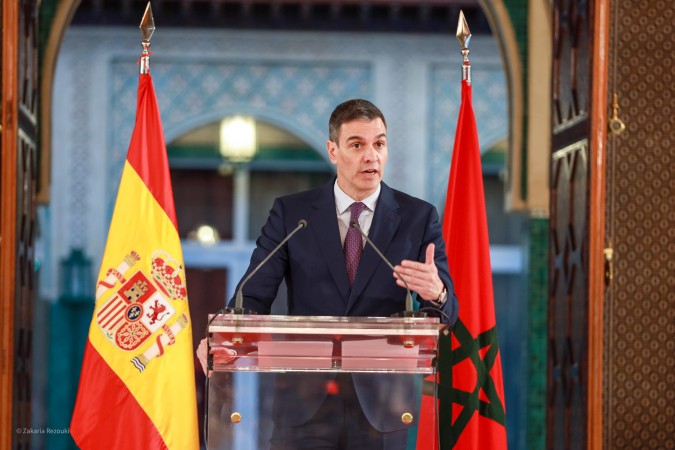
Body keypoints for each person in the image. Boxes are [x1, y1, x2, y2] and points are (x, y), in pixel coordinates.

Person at [198, 99, 458, 449]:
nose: (371, 156)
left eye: (379, 144)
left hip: (381, 407)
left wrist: (437, 292)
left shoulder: (417, 217)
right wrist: (222, 337)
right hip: (304, 403)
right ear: (333, 150)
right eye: (357, 145)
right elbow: (254, 294)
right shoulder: (293, 214)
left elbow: (445, 314)